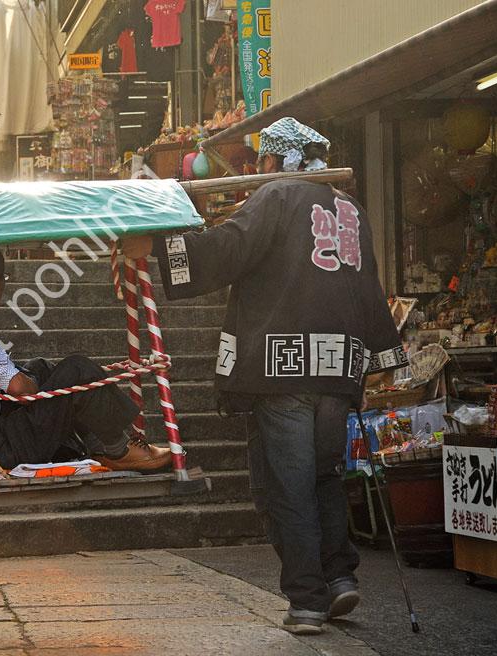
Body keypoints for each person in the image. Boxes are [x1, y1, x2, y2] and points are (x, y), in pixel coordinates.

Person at [125, 117, 406, 635]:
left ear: (276, 162)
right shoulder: (352, 211)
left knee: (287, 485)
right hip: (339, 366)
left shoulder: (276, 197)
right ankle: (339, 576)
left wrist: (162, 248)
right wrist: (382, 357)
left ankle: (307, 600)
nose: (259, 170)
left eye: (263, 162)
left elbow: (228, 248)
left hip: (284, 367)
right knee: (323, 477)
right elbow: (369, 288)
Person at [0, 247, 174, 473]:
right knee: (77, 370)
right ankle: (117, 448)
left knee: (40, 368)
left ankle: (100, 443)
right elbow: (18, 387)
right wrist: (48, 392)